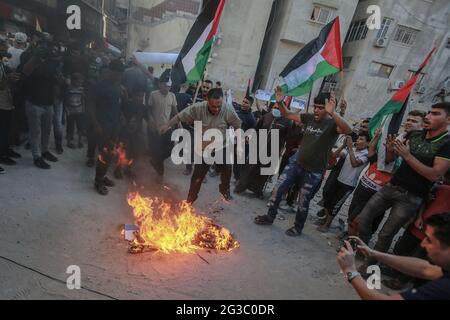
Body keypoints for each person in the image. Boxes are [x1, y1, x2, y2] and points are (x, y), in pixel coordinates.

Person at [357, 103, 450, 274]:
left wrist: (407, 156)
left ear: (448, 119)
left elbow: (435, 175)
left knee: (386, 234)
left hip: (411, 197)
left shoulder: (446, 144)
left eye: (435, 114)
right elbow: (392, 158)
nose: (428, 117)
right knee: (363, 218)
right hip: (392, 186)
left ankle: (371, 265)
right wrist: (391, 149)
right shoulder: (414, 134)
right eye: (429, 112)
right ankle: (366, 250)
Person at [254, 87, 352, 237]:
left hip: (313, 171)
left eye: (321, 108)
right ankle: (269, 217)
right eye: (316, 107)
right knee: (278, 189)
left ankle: (298, 227)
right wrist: (280, 102)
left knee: (303, 201)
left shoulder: (333, 125)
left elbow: (348, 129)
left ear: (328, 109)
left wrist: (333, 112)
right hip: (296, 163)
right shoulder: (309, 118)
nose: (317, 111)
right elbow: (287, 114)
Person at [347, 111, 425, 237]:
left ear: (422, 126)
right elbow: (382, 157)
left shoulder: (421, 147)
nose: (409, 123)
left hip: (390, 191)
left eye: (414, 121)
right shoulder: (397, 138)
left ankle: (359, 245)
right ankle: (351, 239)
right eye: (408, 120)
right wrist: (383, 143)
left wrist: (406, 155)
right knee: (355, 217)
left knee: (375, 226)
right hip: (369, 186)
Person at [337, 213, 450, 300]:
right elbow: (425, 269)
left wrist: (350, 270)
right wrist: (372, 253)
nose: (423, 244)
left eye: (429, 240)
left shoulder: (443, 288)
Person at [160, 88, 242, 204]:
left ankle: (225, 190)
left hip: (221, 146)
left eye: (219, 105)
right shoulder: (198, 108)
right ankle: (190, 199)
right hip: (204, 148)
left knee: (228, 168)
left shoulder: (227, 109)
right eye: (213, 106)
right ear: (207, 100)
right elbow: (179, 116)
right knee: (197, 177)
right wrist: (167, 125)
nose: (217, 109)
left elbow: (238, 125)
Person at [87, 60, 126, 195]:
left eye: (121, 74)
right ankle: (98, 182)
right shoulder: (99, 86)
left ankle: (102, 177)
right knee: (104, 155)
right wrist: (95, 123)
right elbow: (91, 105)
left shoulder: (118, 86)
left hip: (114, 126)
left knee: (110, 153)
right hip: (103, 126)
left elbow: (117, 104)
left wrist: (121, 115)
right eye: (117, 73)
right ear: (110, 71)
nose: (119, 76)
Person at [317, 134, 370, 233]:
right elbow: (335, 155)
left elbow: (355, 164)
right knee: (327, 198)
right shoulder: (352, 149)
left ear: (367, 143)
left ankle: (327, 225)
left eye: (361, 139)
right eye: (358, 138)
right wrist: (343, 146)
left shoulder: (366, 154)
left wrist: (349, 148)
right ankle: (325, 219)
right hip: (338, 179)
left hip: (348, 184)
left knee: (336, 204)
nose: (358, 140)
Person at [22, 39, 61, 169]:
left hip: (48, 102)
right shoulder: (30, 57)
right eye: (43, 47)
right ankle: (37, 156)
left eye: (48, 47)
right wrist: (36, 57)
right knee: (35, 132)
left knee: (46, 130)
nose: (46, 49)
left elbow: (56, 78)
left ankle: (44, 151)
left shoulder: (53, 61)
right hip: (33, 102)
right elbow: (25, 71)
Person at [147, 78, 178, 182]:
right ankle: (160, 174)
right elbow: (148, 109)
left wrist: (178, 123)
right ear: (160, 84)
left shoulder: (172, 96)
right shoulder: (153, 94)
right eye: (165, 85)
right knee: (157, 151)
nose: (167, 88)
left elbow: (175, 111)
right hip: (155, 128)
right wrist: (150, 118)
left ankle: (155, 161)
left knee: (169, 150)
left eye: (169, 86)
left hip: (166, 127)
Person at [0, 38, 21, 170]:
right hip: (0, 102)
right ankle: (2, 155)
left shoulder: (2, 61)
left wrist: (11, 75)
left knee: (6, 129)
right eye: (2, 46)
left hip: (6, 101)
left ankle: (6, 150)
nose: (5, 48)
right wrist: (8, 79)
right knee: (1, 129)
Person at [65, 73, 85, 149]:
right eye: (78, 82)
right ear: (73, 81)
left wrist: (83, 109)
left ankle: (80, 141)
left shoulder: (81, 89)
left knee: (80, 127)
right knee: (70, 127)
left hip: (79, 111)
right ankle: (69, 142)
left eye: (80, 82)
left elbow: (82, 99)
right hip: (71, 111)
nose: (80, 83)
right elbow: (66, 100)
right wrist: (67, 110)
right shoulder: (69, 89)